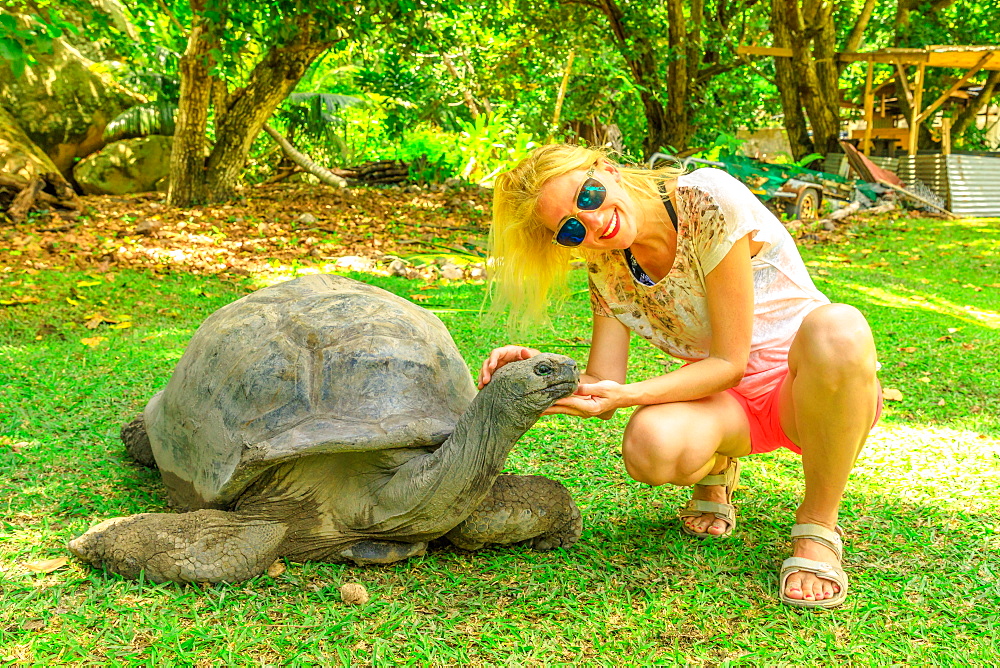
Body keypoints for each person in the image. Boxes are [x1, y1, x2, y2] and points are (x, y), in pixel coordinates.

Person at [477, 144, 882, 609]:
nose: (591, 222)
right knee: (650, 447)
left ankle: (817, 523)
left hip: (807, 385)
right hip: (725, 402)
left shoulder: (706, 199)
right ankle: (719, 466)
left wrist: (628, 395)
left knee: (840, 326)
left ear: (605, 168)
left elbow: (730, 362)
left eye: (587, 196)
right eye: (570, 228)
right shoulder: (607, 264)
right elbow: (602, 377)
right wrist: (537, 369)